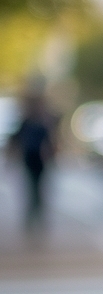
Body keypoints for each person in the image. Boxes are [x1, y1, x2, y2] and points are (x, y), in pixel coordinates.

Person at [9, 89, 57, 227]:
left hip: (39, 159)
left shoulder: (42, 122)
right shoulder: (27, 122)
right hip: (30, 158)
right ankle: (32, 215)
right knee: (32, 187)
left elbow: (49, 141)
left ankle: (36, 215)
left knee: (37, 187)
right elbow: (16, 139)